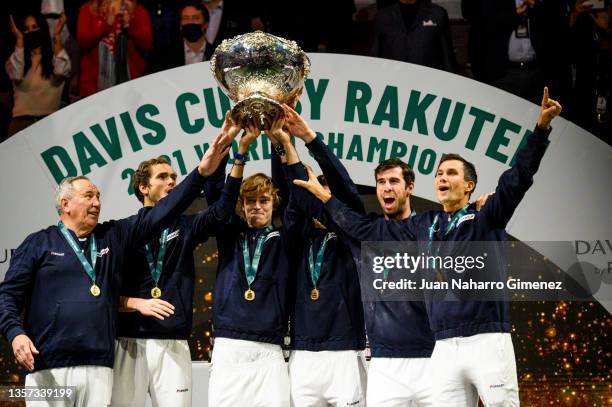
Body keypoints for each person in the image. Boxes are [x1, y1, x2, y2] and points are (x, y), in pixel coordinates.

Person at [294, 87, 562, 406]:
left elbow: (517, 179)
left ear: (469, 185)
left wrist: (541, 130)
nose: (442, 178)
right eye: (438, 174)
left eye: (451, 173)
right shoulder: (423, 226)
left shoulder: (485, 218)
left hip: (487, 340)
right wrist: (325, 198)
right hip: (444, 348)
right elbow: (365, 229)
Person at [0, 131, 233, 407]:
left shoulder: (112, 236)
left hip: (100, 367)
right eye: (88, 196)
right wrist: (15, 334)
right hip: (47, 365)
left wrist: (201, 175)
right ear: (65, 204)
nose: (97, 202)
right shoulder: (38, 243)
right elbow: (8, 296)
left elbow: (163, 213)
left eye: (98, 196)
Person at [111, 128, 240, 406]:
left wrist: (226, 159)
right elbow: (105, 290)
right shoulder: (123, 232)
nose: (171, 181)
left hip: (173, 342)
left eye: (173, 177)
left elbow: (220, 213)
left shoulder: (186, 227)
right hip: (128, 342)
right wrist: (133, 304)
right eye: (163, 177)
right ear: (143, 188)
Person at [266, 112, 367, 406]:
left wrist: (309, 140)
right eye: (314, 190)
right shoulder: (298, 236)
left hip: (344, 352)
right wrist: (280, 144)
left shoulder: (351, 232)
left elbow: (346, 190)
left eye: (323, 191)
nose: (317, 195)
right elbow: (287, 193)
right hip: (303, 355)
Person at [201, 115, 298, 407]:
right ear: (242, 205)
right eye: (250, 201)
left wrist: (278, 141)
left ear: (273, 203)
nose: (257, 206)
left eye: (264, 200)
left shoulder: (285, 239)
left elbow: (295, 194)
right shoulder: (230, 233)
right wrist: (238, 147)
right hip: (229, 346)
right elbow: (217, 192)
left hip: (269, 349)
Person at [4, 13, 71, 139]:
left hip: (48, 126)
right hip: (21, 127)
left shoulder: (55, 60)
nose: (31, 32)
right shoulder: (17, 60)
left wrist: (56, 36)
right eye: (26, 29)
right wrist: (19, 40)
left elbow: (62, 71)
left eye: (35, 27)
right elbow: (16, 74)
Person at [77, 0, 152, 98]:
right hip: (93, 88)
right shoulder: (89, 9)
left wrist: (131, 24)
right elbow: (82, 41)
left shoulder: (138, 11)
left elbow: (147, 44)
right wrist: (105, 25)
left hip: (130, 86)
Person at [371, 0, 456, 72]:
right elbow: (375, 56)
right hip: (393, 81)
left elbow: (447, 58)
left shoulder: (438, 14)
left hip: (429, 83)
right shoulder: (383, 16)